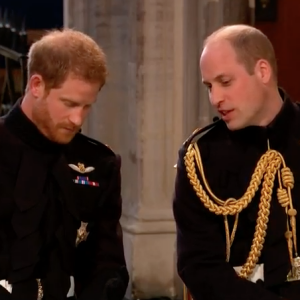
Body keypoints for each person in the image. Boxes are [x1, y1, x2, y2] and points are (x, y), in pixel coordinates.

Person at [173, 24, 300, 300]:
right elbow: (199, 265)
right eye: (209, 86)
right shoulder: (200, 158)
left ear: (262, 71)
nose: (215, 98)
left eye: (225, 82)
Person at [0, 29, 129, 300]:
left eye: (86, 106)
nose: (77, 119)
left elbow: (106, 264)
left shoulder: (98, 163)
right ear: (37, 85)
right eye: (69, 104)